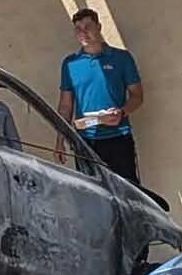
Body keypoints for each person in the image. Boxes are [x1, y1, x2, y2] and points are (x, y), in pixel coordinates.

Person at [56, 9, 144, 183]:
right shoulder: (70, 64)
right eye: (78, 28)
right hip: (85, 142)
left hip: (119, 138)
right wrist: (60, 141)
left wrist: (121, 112)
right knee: (92, 195)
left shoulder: (122, 58)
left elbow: (137, 96)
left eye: (88, 26)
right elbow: (66, 106)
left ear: (99, 27)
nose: (83, 32)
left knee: (128, 193)